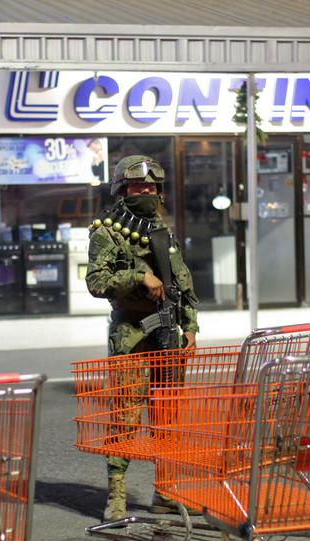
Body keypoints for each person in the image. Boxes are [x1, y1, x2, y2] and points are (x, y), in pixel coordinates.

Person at [85, 155, 200, 521]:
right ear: (122, 189)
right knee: (126, 415)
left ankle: (165, 490)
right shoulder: (108, 231)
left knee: (167, 416)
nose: (147, 191)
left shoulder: (162, 232)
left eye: (152, 186)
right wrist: (138, 277)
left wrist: (190, 325)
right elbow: (96, 281)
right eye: (139, 186)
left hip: (168, 333)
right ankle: (116, 494)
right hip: (131, 334)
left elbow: (182, 282)